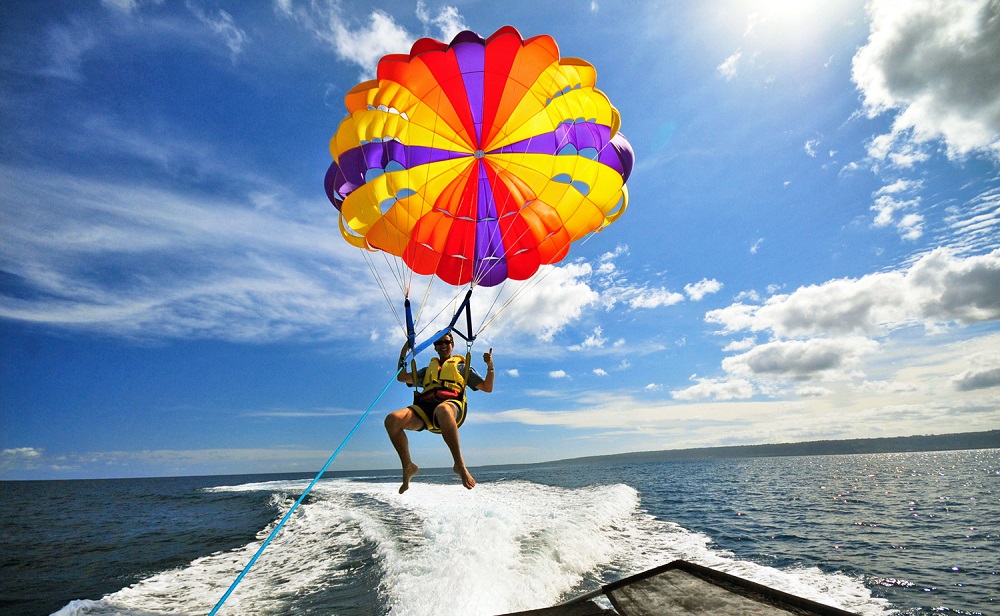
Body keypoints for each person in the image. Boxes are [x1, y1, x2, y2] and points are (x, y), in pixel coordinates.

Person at [384, 332, 494, 493]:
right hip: (425, 412)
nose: (443, 346)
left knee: (442, 409)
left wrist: (490, 366)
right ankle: (408, 466)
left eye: (447, 342)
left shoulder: (461, 367)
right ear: (435, 348)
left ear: (452, 345)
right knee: (391, 420)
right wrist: (403, 352)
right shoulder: (428, 370)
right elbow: (402, 377)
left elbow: (487, 387)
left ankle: (459, 464)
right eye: (439, 343)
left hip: (452, 407)